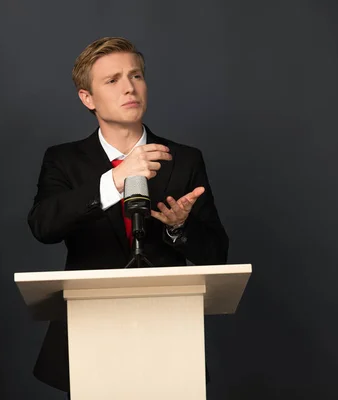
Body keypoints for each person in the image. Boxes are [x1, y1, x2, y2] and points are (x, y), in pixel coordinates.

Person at [27, 36, 229, 394]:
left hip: (169, 333)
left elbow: (216, 253)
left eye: (136, 76)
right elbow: (44, 225)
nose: (129, 87)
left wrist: (179, 228)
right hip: (89, 332)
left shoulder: (183, 159)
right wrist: (115, 179)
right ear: (87, 98)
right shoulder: (63, 160)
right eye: (112, 80)